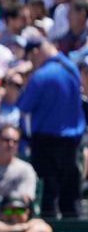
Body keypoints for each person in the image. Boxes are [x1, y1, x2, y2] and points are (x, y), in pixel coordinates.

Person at [18, 37, 85, 218]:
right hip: (71, 143)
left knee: (47, 195)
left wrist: (27, 139)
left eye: (31, 58)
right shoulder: (72, 69)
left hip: (44, 143)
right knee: (70, 197)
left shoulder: (40, 76)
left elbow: (24, 112)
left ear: (36, 52)